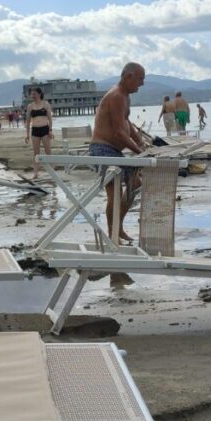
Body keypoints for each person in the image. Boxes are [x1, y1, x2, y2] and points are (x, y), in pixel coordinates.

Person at [89, 63, 147, 288]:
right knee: (113, 194)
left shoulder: (125, 96)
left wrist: (140, 140)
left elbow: (127, 124)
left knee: (136, 182)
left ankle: (117, 227)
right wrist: (139, 152)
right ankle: (113, 234)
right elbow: (117, 133)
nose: (142, 84)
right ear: (129, 76)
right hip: (102, 149)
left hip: (114, 150)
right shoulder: (115, 96)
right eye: (140, 79)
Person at [25, 87, 53, 178]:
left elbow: (50, 119)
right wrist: (27, 134)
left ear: (39, 94)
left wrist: (50, 130)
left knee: (48, 151)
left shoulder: (46, 104)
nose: (33, 96)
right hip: (35, 130)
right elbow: (28, 121)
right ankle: (35, 173)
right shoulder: (30, 106)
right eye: (32, 94)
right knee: (36, 153)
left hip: (45, 129)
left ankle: (52, 172)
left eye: (34, 94)